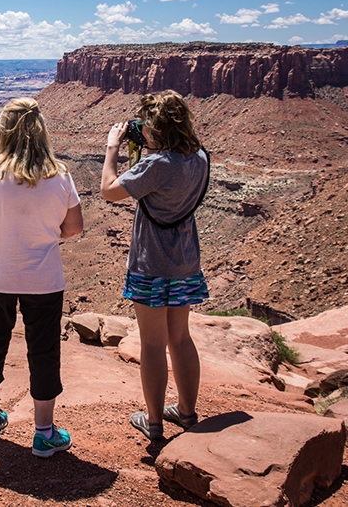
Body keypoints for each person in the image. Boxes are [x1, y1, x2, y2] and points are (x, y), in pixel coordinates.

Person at [0, 97, 83, 458]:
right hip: (43, 279)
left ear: (3, 129)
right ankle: (44, 434)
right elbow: (74, 228)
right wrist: (43, 232)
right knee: (44, 351)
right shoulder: (60, 174)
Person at [100, 89, 209, 441]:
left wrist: (113, 148)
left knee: (152, 343)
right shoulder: (199, 157)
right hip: (185, 262)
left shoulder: (157, 164)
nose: (140, 130)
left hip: (151, 264)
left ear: (157, 126)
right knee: (180, 338)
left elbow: (109, 191)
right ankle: (187, 412)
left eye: (144, 125)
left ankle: (154, 421)